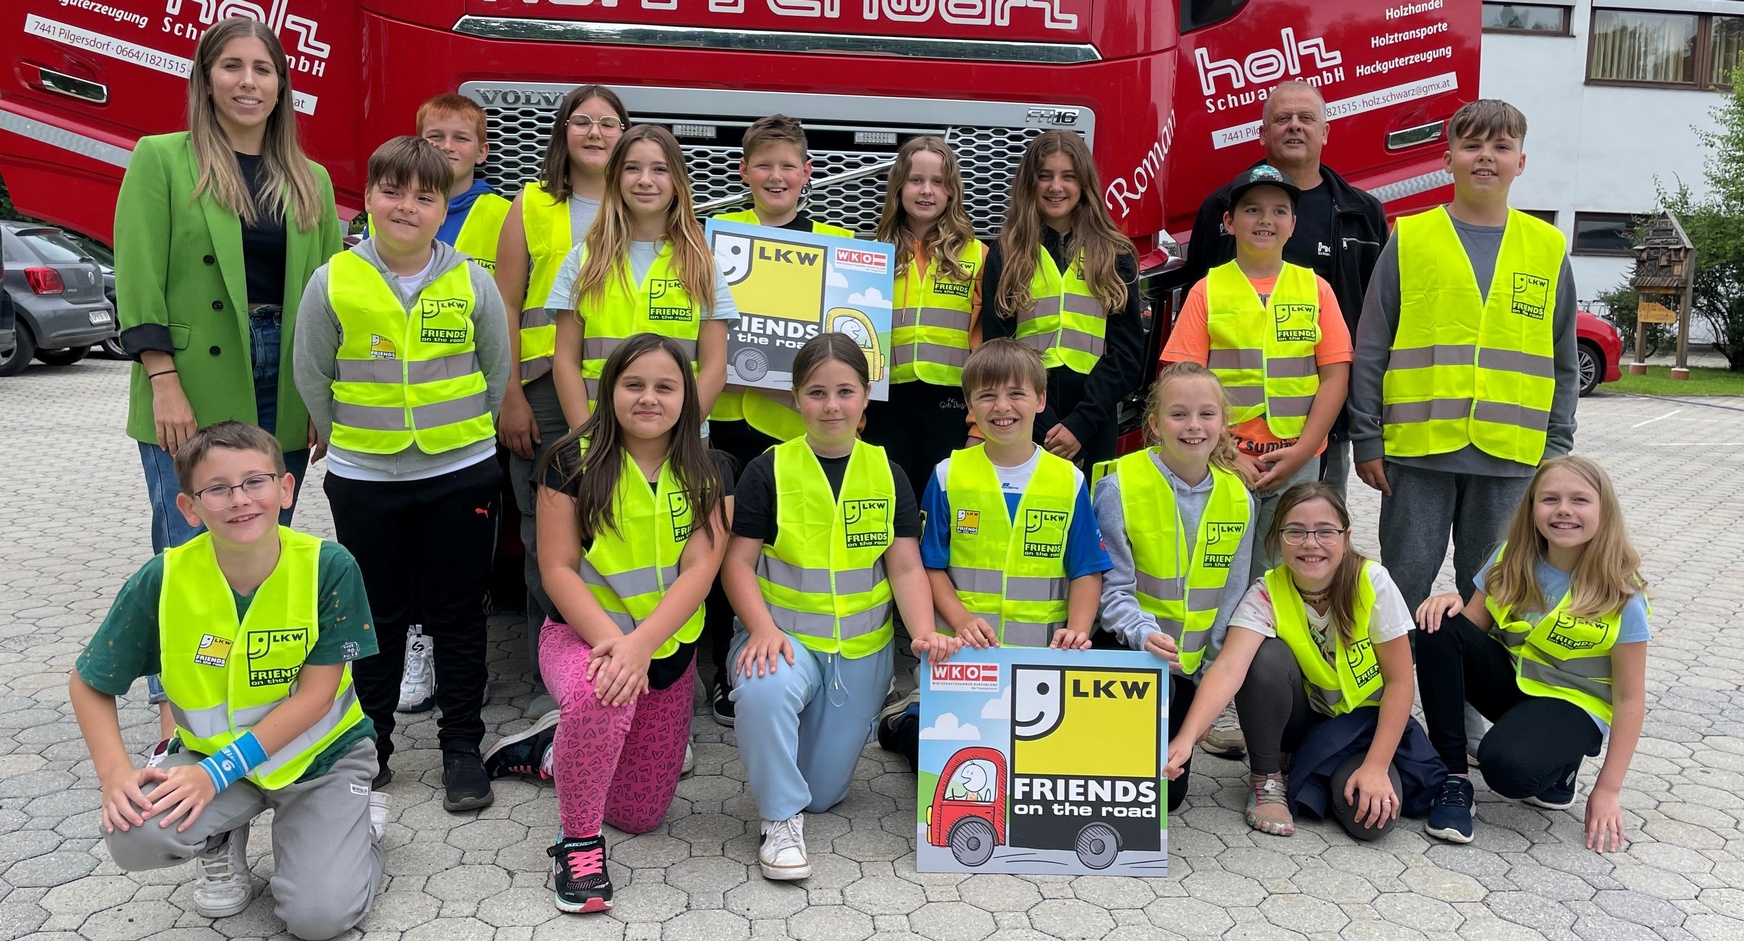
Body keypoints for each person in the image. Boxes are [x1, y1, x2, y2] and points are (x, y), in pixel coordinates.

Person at [1349, 98, 1580, 843]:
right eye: (1472, 144)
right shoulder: (1411, 236)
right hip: (1419, 448)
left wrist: (1557, 448)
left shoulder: (1547, 247)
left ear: (1521, 161)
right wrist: (1366, 436)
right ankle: (1384, 716)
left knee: (1498, 599)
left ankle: (1478, 723)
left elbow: (1562, 357)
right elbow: (1373, 342)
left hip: (1513, 456)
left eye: (1502, 145)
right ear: (1446, 157)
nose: (1486, 156)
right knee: (1403, 589)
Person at [113, 16, 341, 751]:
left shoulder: (310, 179)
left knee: (262, 539)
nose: (248, 82)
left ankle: (256, 700)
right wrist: (162, 377)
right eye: (232, 66)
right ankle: (176, 719)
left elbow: (327, 296)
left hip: (286, 377)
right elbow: (138, 275)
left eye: (263, 69)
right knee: (189, 545)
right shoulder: (162, 159)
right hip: (191, 374)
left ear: (281, 85)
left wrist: (320, 396)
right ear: (205, 79)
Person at [67, 422, 383, 940]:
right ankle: (223, 835)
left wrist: (215, 773)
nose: (239, 500)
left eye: (255, 481)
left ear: (285, 488)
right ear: (189, 507)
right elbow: (88, 683)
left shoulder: (327, 566)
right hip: (211, 761)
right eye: (217, 489)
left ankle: (354, 829)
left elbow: (317, 697)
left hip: (319, 761)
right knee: (133, 836)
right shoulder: (163, 578)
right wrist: (114, 774)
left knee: (318, 920)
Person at [293, 136, 512, 810]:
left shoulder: (471, 280)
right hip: (365, 477)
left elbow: (496, 368)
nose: (406, 207)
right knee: (377, 618)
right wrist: (350, 436)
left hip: (461, 471)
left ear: (444, 207)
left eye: (424, 196)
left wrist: (463, 436)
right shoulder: (333, 279)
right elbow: (312, 373)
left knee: (458, 616)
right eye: (392, 191)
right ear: (369, 197)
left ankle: (461, 748)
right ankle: (375, 747)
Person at [723, 333, 952, 881]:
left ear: (866, 396)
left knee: (823, 796)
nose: (832, 406)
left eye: (845, 391)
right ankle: (779, 820)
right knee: (763, 691)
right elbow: (737, 565)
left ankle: (835, 741)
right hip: (783, 642)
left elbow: (904, 567)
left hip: (860, 655)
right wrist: (760, 629)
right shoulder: (768, 469)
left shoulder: (888, 472)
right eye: (817, 392)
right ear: (796, 398)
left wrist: (923, 632)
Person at [528, 334, 733, 912]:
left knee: (641, 816)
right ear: (608, 389)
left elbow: (701, 570)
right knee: (601, 696)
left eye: (665, 386)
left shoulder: (712, 469)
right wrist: (617, 647)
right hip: (584, 639)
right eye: (633, 384)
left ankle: (552, 749)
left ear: (686, 396)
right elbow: (557, 569)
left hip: (663, 651)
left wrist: (641, 645)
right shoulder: (569, 460)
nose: (649, 398)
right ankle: (578, 845)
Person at [1165, 483, 1444, 840]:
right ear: (1277, 539)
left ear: (1346, 537)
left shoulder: (1372, 582)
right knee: (1264, 657)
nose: (1311, 543)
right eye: (1295, 532)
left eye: (1325, 532)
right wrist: (1186, 739)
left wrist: (1376, 767)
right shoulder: (1266, 591)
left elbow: (1401, 682)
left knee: (1369, 822)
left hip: (1365, 727)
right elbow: (1229, 668)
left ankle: (1312, 769)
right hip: (1304, 721)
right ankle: (1267, 777)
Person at [878, 339, 1107, 768]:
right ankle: (906, 717)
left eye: (1016, 393)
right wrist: (962, 621)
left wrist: (1078, 631)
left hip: (1041, 660)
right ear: (969, 406)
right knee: (952, 762)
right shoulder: (949, 475)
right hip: (965, 658)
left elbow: (1087, 569)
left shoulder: (1069, 480)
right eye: (987, 395)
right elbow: (931, 567)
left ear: (1040, 400)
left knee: (1039, 762)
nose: (1002, 407)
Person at [703, 114, 857, 728]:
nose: (776, 175)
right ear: (744, 171)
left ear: (807, 173)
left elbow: (852, 337)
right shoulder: (716, 238)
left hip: (792, 430)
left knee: (776, 548)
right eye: (763, 165)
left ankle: (783, 661)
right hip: (723, 422)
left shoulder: (836, 242)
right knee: (719, 547)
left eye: (787, 165)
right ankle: (725, 668)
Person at [1415, 456, 1648, 852]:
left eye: (1579, 500)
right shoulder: (1510, 557)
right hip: (1516, 686)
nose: (1563, 510)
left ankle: (1562, 764)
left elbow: (1630, 699)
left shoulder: (1622, 593)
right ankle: (1453, 780)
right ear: (1531, 508)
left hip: (1573, 705)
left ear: (1604, 511)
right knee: (1437, 625)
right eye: (1550, 499)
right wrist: (1447, 603)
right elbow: (1467, 635)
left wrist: (1608, 790)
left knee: (1507, 770)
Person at [1177, 80, 1387, 501]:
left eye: (1306, 118)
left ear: (1325, 132)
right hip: (1225, 440)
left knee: (1311, 526)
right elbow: (1192, 334)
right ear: (1262, 132)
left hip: (1325, 426)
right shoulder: (1218, 207)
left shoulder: (1362, 214)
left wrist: (1362, 424)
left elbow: (1378, 324)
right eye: (1282, 118)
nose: (1295, 126)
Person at [494, 85, 630, 678]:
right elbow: (505, 302)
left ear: (624, 133)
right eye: (582, 121)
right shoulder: (531, 204)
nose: (595, 132)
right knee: (545, 531)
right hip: (547, 390)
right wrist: (510, 395)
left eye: (608, 122)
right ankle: (552, 679)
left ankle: (625, 665)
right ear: (562, 132)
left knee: (625, 524)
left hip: (629, 390)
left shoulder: (645, 199)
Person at [1163, 165, 1351, 582]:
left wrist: (1303, 451)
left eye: (1279, 211)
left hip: (1297, 458)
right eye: (1252, 210)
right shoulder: (1207, 291)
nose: (1266, 220)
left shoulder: (1316, 289)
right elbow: (1180, 382)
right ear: (1229, 222)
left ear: (1293, 224)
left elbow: (1335, 378)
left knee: (1285, 569)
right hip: (1224, 458)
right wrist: (1226, 452)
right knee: (1220, 567)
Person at [392, 92, 515, 714]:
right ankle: (418, 642)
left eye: (460, 138)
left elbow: (509, 315)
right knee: (409, 543)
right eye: (434, 136)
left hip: (470, 416)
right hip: (399, 417)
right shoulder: (391, 212)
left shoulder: (503, 214)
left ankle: (462, 655)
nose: (447, 148)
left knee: (467, 547)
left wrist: (500, 401)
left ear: (482, 150)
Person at [1094, 362, 1255, 811]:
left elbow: (1231, 600)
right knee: (1117, 785)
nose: (1193, 426)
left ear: (1224, 423)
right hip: (1126, 653)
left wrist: (1209, 689)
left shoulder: (1238, 498)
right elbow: (1110, 590)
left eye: (1206, 414)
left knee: (1165, 796)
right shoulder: (1119, 487)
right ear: (1155, 423)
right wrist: (1142, 633)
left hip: (1188, 670)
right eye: (1178, 414)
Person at [548, 125, 738, 427]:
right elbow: (565, 363)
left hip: (680, 444)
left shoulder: (702, 264)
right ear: (615, 178)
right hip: (599, 437)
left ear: (677, 181)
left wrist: (679, 436)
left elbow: (715, 368)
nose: (645, 180)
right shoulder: (582, 260)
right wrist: (586, 436)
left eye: (660, 169)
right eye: (632, 168)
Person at [980, 130, 1143, 470]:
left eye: (1068, 176)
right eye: (1045, 176)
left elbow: (1127, 354)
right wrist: (1044, 425)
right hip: (1024, 416)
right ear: (1030, 182)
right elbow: (998, 346)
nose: (1056, 187)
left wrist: (1080, 426)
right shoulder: (1006, 252)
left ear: (1084, 183)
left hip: (1093, 418)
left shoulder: (1115, 252)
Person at [862, 136, 987, 499]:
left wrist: (979, 427)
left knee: (940, 509)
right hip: (885, 407)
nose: (926, 191)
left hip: (951, 407)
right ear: (898, 187)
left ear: (952, 192)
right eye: (916, 180)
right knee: (890, 506)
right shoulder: (873, 255)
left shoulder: (978, 255)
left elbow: (987, 348)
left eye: (938, 182)